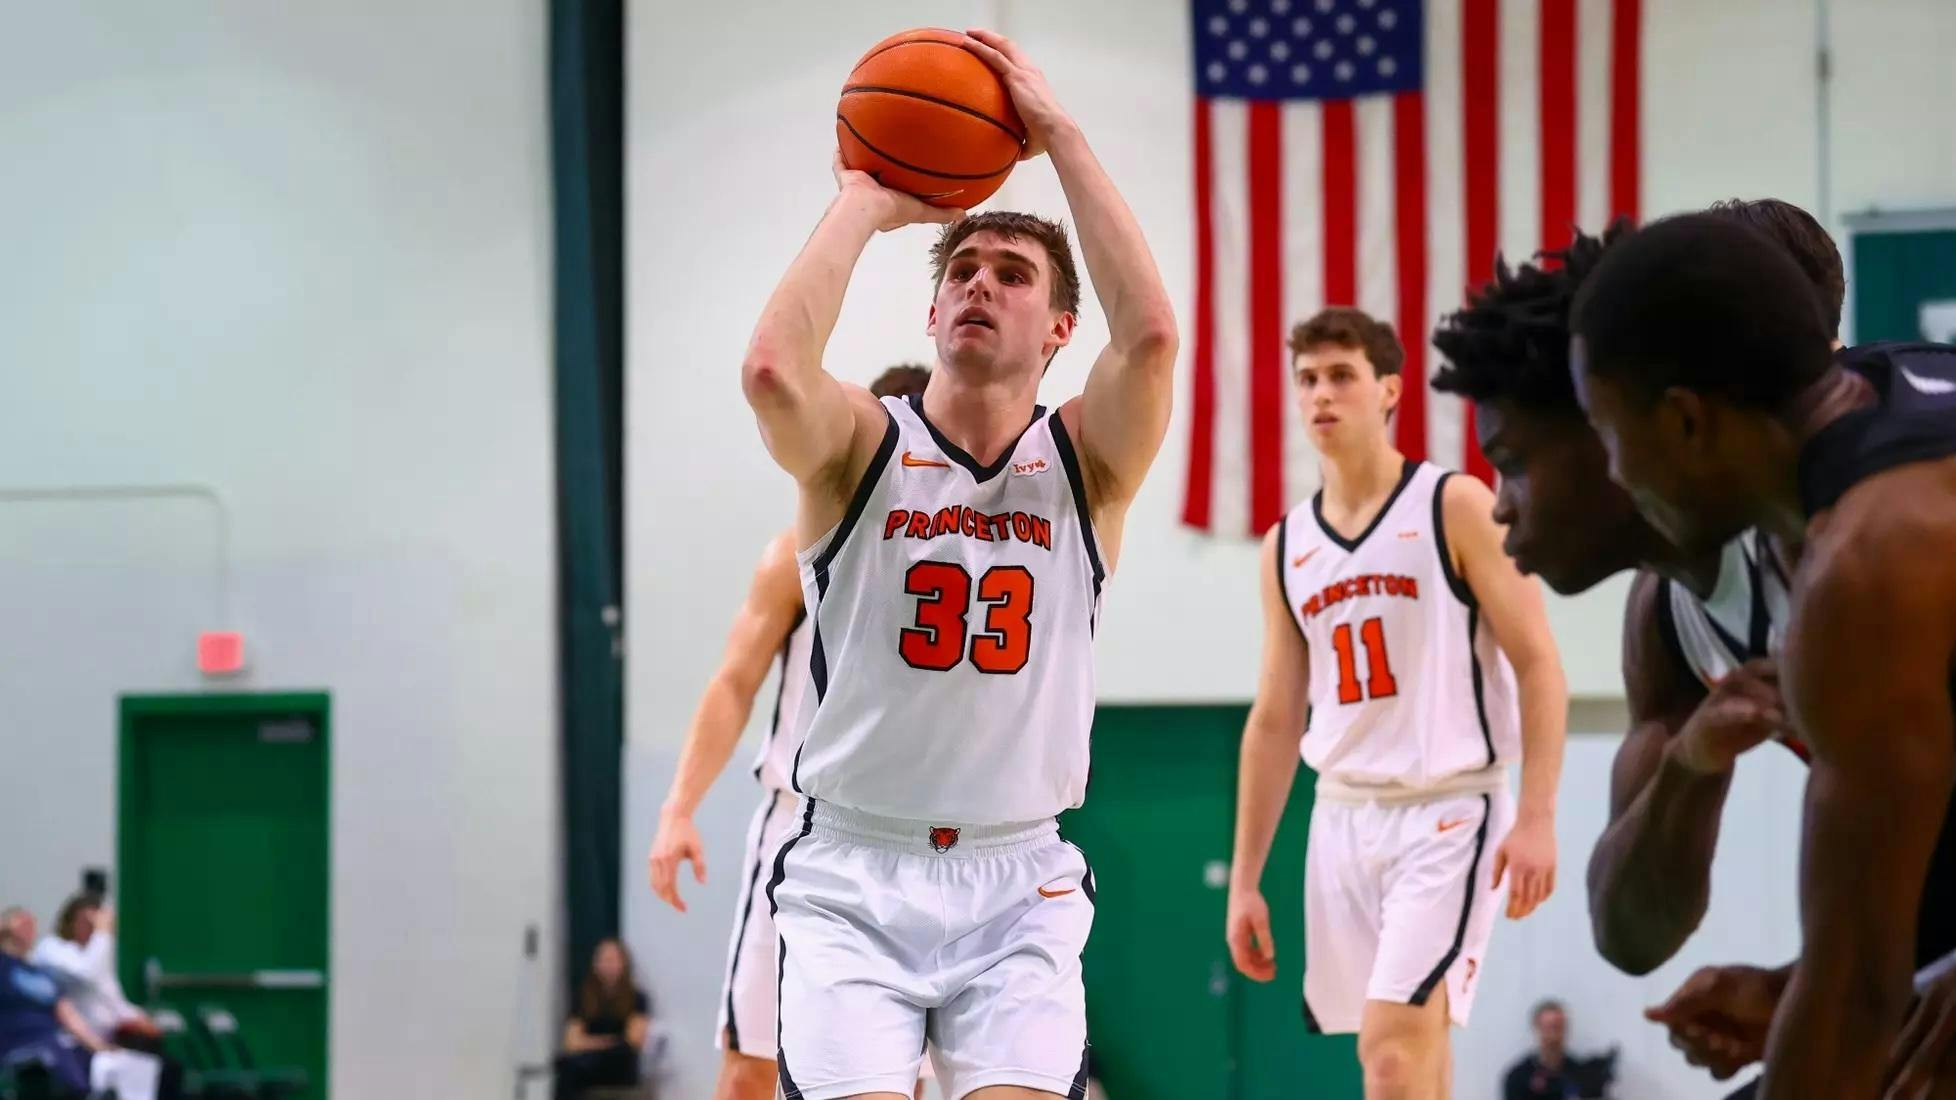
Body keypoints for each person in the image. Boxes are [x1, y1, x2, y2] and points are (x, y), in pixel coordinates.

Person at [1432, 200, 1956, 1095]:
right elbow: (1633, 936)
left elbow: (1857, 991)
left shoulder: (1876, 544)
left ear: (1671, 422)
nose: (1500, 505)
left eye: (1517, 458)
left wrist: (1849, 990)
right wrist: (1692, 763)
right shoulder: (1689, 599)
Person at [739, 25, 1176, 1099]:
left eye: (1013, 274)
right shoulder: (861, 446)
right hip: (852, 871)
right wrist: (868, 199)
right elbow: (768, 370)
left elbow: (1156, 336)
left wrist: (1060, 134)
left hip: (1015, 875)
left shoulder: (1085, 463)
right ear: (932, 311)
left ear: (1061, 326)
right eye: (965, 271)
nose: (982, 284)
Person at [1226, 307, 1566, 1100]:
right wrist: (1246, 878)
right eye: (1306, 379)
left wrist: (1539, 814)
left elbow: (1540, 662)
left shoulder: (1455, 506)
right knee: (1416, 1058)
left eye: (1341, 376)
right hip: (1342, 817)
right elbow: (1276, 718)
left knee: (1390, 1053)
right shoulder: (1288, 544)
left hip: (1448, 810)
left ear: (1389, 392)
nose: (1321, 395)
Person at [645, 363, 931, 1100]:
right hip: (802, 829)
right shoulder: (797, 555)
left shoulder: (963, 559)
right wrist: (679, 806)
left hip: (915, 838)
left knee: (910, 1078)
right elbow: (733, 682)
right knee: (750, 1067)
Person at [30, 894, 182, 1100]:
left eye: (95, 923)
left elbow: (112, 999)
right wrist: (103, 933)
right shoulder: (52, 948)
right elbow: (86, 972)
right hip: (76, 1043)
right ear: (69, 921)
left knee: (169, 1068)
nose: (91, 928)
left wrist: (139, 1017)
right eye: (86, 922)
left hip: (114, 1040)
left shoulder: (96, 953)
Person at [0, 907, 106, 1095]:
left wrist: (102, 1048)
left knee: (82, 1063)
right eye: (22, 924)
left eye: (31, 925)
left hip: (51, 1043)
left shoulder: (42, 974)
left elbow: (68, 1015)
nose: (28, 930)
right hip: (17, 1046)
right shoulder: (4, 967)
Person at [553, 938, 652, 1100]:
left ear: (623, 963)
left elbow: (634, 1040)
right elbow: (571, 1041)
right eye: (603, 959)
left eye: (612, 960)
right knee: (568, 1067)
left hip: (619, 1063)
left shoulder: (637, 998)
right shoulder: (583, 997)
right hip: (589, 1063)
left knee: (572, 1066)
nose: (607, 965)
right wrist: (608, 1042)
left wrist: (591, 1043)